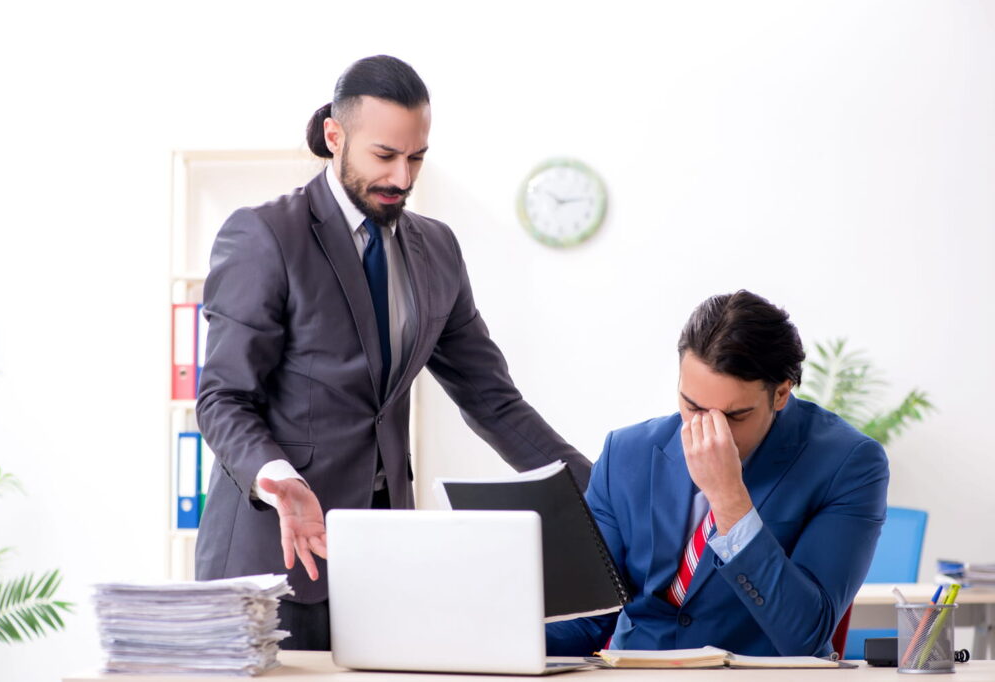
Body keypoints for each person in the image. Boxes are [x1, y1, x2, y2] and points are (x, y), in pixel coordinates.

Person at [194, 55, 591, 650]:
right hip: (270, 558)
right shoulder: (265, 235)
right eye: (385, 156)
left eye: (417, 158)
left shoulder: (437, 248)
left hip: (381, 559)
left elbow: (492, 400)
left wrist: (597, 489)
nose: (402, 178)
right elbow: (223, 397)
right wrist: (277, 476)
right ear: (335, 136)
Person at [546, 290, 889, 657]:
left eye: (735, 415)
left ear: (782, 393)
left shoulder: (848, 464)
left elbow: (804, 635)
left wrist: (728, 498)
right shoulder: (625, 455)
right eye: (692, 406)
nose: (711, 430)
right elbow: (590, 619)